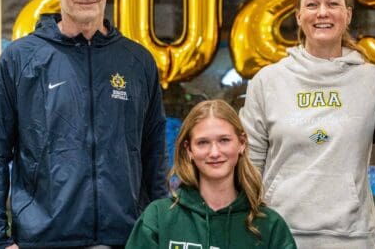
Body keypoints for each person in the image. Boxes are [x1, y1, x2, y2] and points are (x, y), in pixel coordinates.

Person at [0, 0, 168, 248]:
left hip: (126, 239)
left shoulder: (137, 62)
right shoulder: (20, 59)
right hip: (43, 240)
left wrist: (160, 229)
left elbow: (154, 152)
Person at [239, 0, 375, 248]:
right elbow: (249, 163)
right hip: (279, 232)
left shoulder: (374, 82)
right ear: (299, 16)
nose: (322, 12)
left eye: (332, 4)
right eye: (312, 5)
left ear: (347, 15)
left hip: (351, 237)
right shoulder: (268, 81)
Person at [126, 99, 297, 249]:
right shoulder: (158, 218)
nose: (214, 152)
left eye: (224, 140)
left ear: (242, 143)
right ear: (189, 150)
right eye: (203, 143)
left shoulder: (269, 226)